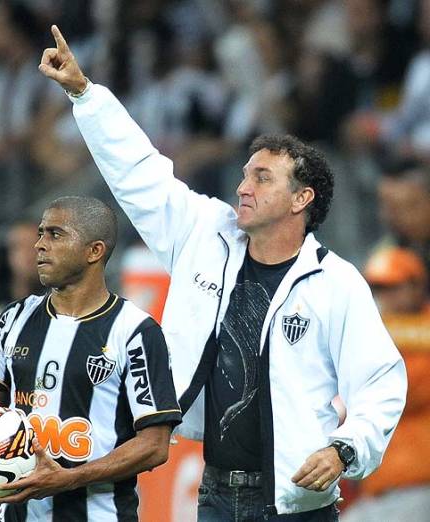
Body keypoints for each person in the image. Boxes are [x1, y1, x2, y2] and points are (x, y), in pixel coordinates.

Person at [38, 25, 406, 521]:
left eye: (261, 177)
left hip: (298, 503)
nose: (242, 186)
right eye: (244, 173)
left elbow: (381, 382)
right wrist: (85, 95)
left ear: (302, 198)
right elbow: (140, 173)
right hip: (215, 494)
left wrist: (344, 449)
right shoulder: (205, 234)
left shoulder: (335, 282)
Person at [0, 196, 182, 521]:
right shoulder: (14, 318)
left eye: (55, 234)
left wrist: (67, 480)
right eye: (41, 233)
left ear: (94, 251)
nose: (39, 245)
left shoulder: (136, 331)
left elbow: (154, 445)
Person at [340, 247, 430, 521]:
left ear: (416, 286)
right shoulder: (376, 332)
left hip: (417, 486)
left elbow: (403, 390)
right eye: (378, 288)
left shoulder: (422, 331)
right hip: (377, 491)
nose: (384, 297)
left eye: (393, 287)